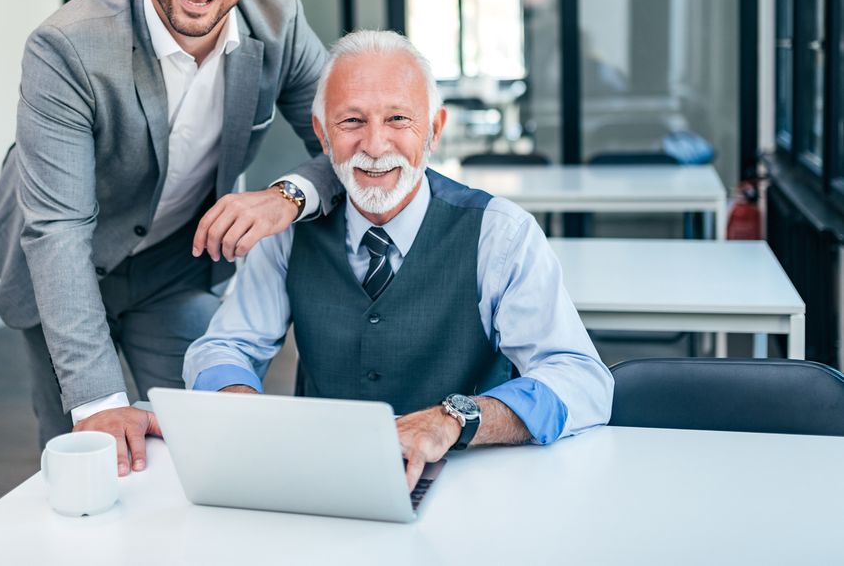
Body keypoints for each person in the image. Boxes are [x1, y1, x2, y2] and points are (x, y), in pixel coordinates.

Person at [0, 0, 340, 474]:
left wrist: (287, 196)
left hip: (173, 265)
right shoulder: (68, 46)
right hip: (59, 261)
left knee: (207, 439)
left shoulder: (280, 24)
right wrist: (97, 402)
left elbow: (350, 144)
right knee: (85, 457)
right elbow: (58, 230)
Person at [184, 30, 614, 491]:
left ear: (434, 128)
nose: (374, 145)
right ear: (321, 134)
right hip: (324, 481)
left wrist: (453, 420)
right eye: (351, 121)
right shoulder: (287, 235)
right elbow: (224, 347)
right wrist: (237, 400)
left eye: (398, 119)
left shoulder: (501, 234)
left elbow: (581, 379)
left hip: (471, 485)